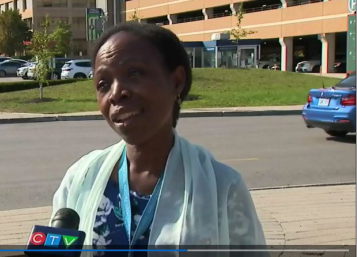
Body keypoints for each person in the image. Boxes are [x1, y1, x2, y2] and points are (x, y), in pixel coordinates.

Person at [51, 22, 266, 254]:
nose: (116, 93)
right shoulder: (81, 179)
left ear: (177, 81)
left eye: (134, 73)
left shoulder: (223, 188)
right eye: (103, 84)